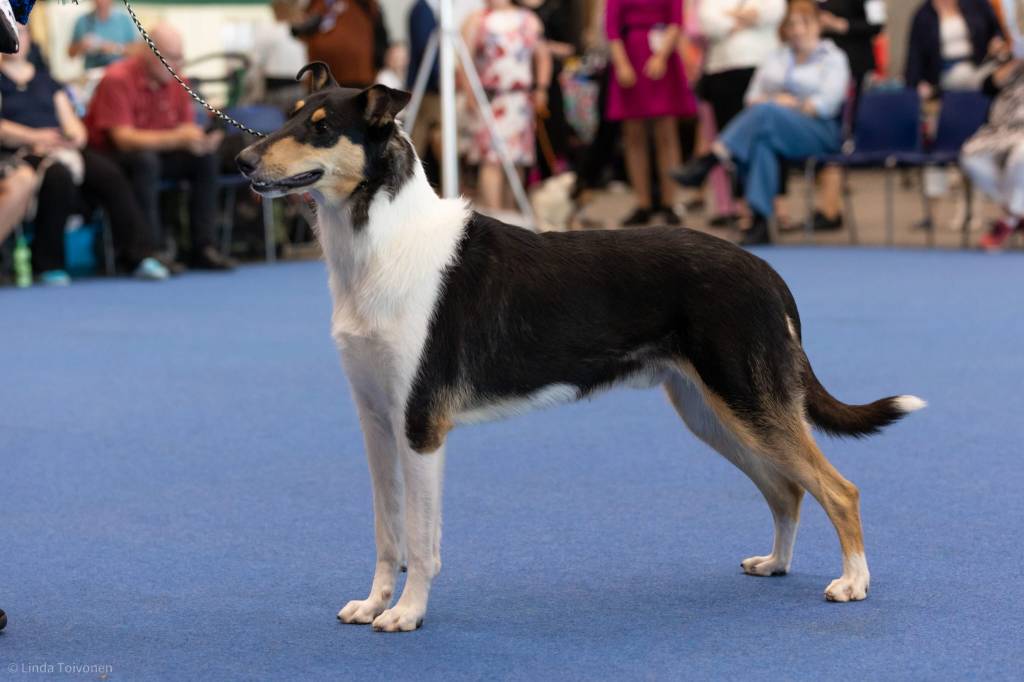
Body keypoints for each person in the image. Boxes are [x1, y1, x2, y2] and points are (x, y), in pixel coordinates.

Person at [673, 0, 850, 245]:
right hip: (776, 129)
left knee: (767, 112)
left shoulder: (833, 57)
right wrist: (776, 102)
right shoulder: (776, 57)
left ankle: (713, 157)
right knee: (762, 144)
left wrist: (788, 104)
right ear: (785, 29)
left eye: (804, 23)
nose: (798, 30)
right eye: (792, 25)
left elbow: (826, 105)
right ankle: (759, 223)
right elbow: (751, 98)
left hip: (819, 132)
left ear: (818, 25)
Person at [0, 25, 168, 283]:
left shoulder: (47, 80)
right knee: (57, 176)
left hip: (61, 146)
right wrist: (36, 137)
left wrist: (75, 135)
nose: (16, 38)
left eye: (21, 33)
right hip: (22, 151)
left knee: (109, 173)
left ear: (29, 39)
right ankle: (48, 264)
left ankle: (138, 255)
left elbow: (70, 119)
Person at [84, 23, 234, 271]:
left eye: (180, 57)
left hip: (158, 153)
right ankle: (149, 251)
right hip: (112, 157)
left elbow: (185, 130)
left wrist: (200, 141)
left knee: (205, 160)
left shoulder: (178, 81)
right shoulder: (117, 78)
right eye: (171, 58)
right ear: (149, 53)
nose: (178, 65)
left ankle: (204, 247)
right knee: (145, 161)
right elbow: (123, 139)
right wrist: (179, 138)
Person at [605, 0, 695, 226]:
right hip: (630, 56)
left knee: (666, 132)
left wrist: (661, 56)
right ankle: (643, 203)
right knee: (633, 136)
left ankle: (669, 202)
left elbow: (676, 22)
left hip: (661, 56)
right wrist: (622, 64)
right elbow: (612, 29)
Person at [462, 0, 552, 211]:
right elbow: (465, 60)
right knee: (491, 160)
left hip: (520, 100)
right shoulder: (477, 20)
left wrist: (541, 88)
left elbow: (543, 56)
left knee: (517, 160)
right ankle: (494, 215)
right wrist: (469, 92)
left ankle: (511, 211)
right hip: (490, 99)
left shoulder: (528, 19)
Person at [812, 0, 886, 231]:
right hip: (817, 70)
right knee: (820, 134)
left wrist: (841, 25)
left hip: (853, 66)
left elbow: (877, 25)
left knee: (841, 133)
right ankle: (826, 205)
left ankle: (831, 208)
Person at [961, 55, 1024, 249]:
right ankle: (1017, 213)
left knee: (1021, 157)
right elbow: (988, 86)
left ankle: (1008, 221)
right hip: (1001, 130)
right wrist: (1017, 59)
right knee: (970, 156)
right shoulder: (1013, 57)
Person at [906, 0, 1006, 99]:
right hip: (947, 73)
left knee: (1010, 73)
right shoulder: (924, 15)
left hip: (980, 64)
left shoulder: (977, 4)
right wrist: (915, 84)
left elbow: (996, 31)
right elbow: (915, 56)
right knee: (966, 75)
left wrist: (996, 41)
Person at [293, 0, 389, 89]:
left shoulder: (363, 5)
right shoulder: (318, 4)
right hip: (321, 78)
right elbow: (301, 27)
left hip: (356, 76)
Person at [252, 0, 309, 113]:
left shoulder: (268, 30)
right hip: (299, 88)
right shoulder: (303, 32)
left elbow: (255, 62)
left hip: (276, 89)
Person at [68, 0, 139, 70]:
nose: (100, 1)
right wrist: (81, 45)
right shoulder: (82, 21)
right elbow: (70, 53)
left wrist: (114, 48)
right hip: (91, 74)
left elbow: (136, 51)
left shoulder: (124, 20)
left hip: (119, 73)